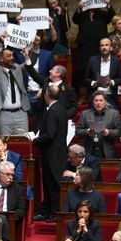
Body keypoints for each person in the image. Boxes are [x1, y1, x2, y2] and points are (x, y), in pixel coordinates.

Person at [33, 84, 73, 221]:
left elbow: (49, 135)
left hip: (52, 155)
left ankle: (54, 213)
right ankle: (48, 211)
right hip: (58, 153)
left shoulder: (53, 111)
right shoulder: (61, 109)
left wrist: (35, 140)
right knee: (51, 183)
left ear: (47, 95)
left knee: (53, 184)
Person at [0, 36, 30, 135]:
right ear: (1, 59)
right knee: (4, 144)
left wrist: (30, 52)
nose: (12, 58)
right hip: (3, 114)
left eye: (12, 55)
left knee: (22, 143)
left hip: (21, 114)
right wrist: (1, 45)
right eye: (8, 56)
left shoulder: (17, 68)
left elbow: (29, 63)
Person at [76, 91, 121, 159]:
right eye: (96, 100)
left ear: (105, 102)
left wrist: (108, 133)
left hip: (106, 151)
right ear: (93, 102)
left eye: (101, 100)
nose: (98, 103)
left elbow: (119, 131)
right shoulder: (85, 114)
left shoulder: (114, 114)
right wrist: (87, 132)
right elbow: (78, 131)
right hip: (89, 151)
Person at [83, 37, 121, 106]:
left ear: (111, 48)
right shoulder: (92, 60)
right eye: (102, 45)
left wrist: (112, 82)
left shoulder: (117, 61)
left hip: (110, 95)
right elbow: (85, 79)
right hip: (95, 94)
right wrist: (93, 83)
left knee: (113, 113)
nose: (104, 47)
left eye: (106, 45)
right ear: (99, 48)